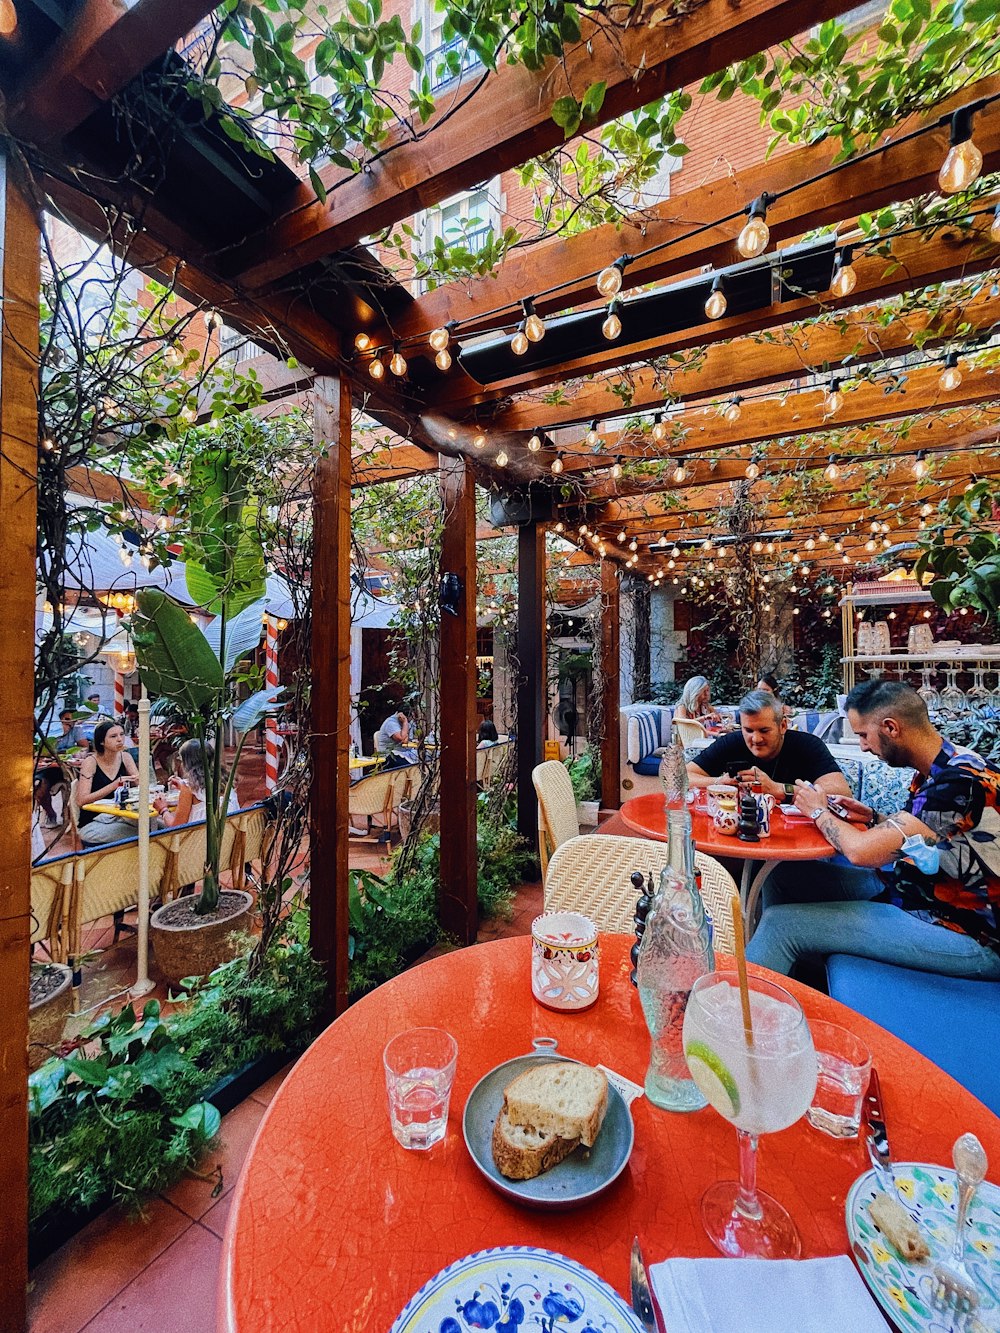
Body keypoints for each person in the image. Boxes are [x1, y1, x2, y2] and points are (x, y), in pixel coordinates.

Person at [747, 679, 1000, 982]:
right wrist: (873, 817)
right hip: (914, 890)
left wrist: (816, 810)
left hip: (968, 932)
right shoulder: (945, 766)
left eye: (864, 735)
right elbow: (929, 833)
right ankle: (794, 975)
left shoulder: (959, 782)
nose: (864, 746)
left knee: (781, 924)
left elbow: (861, 853)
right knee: (782, 875)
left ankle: (739, 1022)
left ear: (891, 728)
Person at [686, 688, 851, 800]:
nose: (756, 739)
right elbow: (684, 777)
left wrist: (777, 789)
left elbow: (841, 792)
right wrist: (719, 782)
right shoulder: (732, 742)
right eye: (749, 730)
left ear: (783, 726)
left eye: (764, 730)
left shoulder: (807, 745)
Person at [76, 720, 141, 844]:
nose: (120, 740)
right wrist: (114, 785)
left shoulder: (125, 757)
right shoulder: (91, 762)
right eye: (113, 736)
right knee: (146, 832)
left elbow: (140, 786)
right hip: (93, 822)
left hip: (120, 817)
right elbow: (81, 800)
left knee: (159, 826)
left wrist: (138, 781)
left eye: (121, 735)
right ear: (101, 741)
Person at [153, 737, 238, 826]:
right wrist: (182, 786)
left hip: (199, 838)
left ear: (187, 763)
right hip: (228, 835)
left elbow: (176, 826)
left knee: (157, 823)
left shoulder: (189, 788)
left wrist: (163, 809)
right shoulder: (227, 780)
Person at [35, 709, 86, 827]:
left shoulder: (76, 730)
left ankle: (67, 814)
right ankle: (51, 814)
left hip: (68, 768)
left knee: (77, 784)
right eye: (67, 719)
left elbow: (84, 746)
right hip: (49, 768)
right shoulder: (52, 729)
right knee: (38, 785)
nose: (70, 722)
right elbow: (43, 752)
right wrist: (60, 734)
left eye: (72, 719)